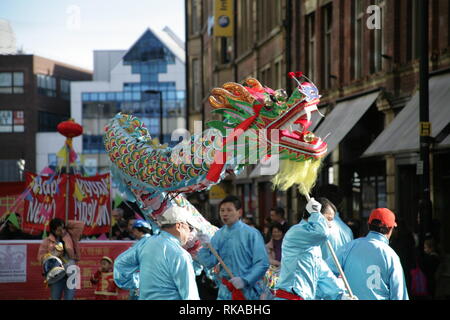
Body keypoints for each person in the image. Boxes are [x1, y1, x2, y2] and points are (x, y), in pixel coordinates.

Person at [274, 197, 351, 300]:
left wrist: (341, 295)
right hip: (290, 296)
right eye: (328, 219)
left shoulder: (314, 244)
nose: (330, 225)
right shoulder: (296, 232)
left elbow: (323, 274)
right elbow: (322, 233)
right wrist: (315, 213)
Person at [196, 195, 269, 300]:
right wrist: (205, 247)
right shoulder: (218, 234)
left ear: (239, 212)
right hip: (225, 291)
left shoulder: (252, 234)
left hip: (248, 292)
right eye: (222, 210)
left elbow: (262, 263)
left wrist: (245, 280)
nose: (225, 214)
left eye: (229, 210)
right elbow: (209, 263)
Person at [327, 208, 409, 300]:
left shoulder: (349, 247)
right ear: (391, 229)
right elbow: (399, 295)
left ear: (368, 225)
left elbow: (325, 274)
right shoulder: (391, 256)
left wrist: (339, 295)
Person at [137, 206, 201, 300]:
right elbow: (190, 295)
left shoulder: (145, 245)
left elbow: (121, 264)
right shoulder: (180, 254)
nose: (189, 233)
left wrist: (135, 285)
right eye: (190, 228)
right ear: (179, 226)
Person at [37, 218, 85, 300]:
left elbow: (80, 224)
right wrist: (53, 255)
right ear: (53, 230)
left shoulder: (70, 234)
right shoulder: (47, 241)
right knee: (55, 297)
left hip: (71, 271)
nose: (62, 231)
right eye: (59, 230)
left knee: (70, 298)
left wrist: (65, 223)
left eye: (63, 228)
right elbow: (40, 257)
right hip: (56, 274)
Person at [114, 219, 152, 300]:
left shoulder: (140, 244)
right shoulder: (153, 241)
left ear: (138, 230)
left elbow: (122, 261)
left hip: (140, 280)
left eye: (134, 230)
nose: (133, 233)